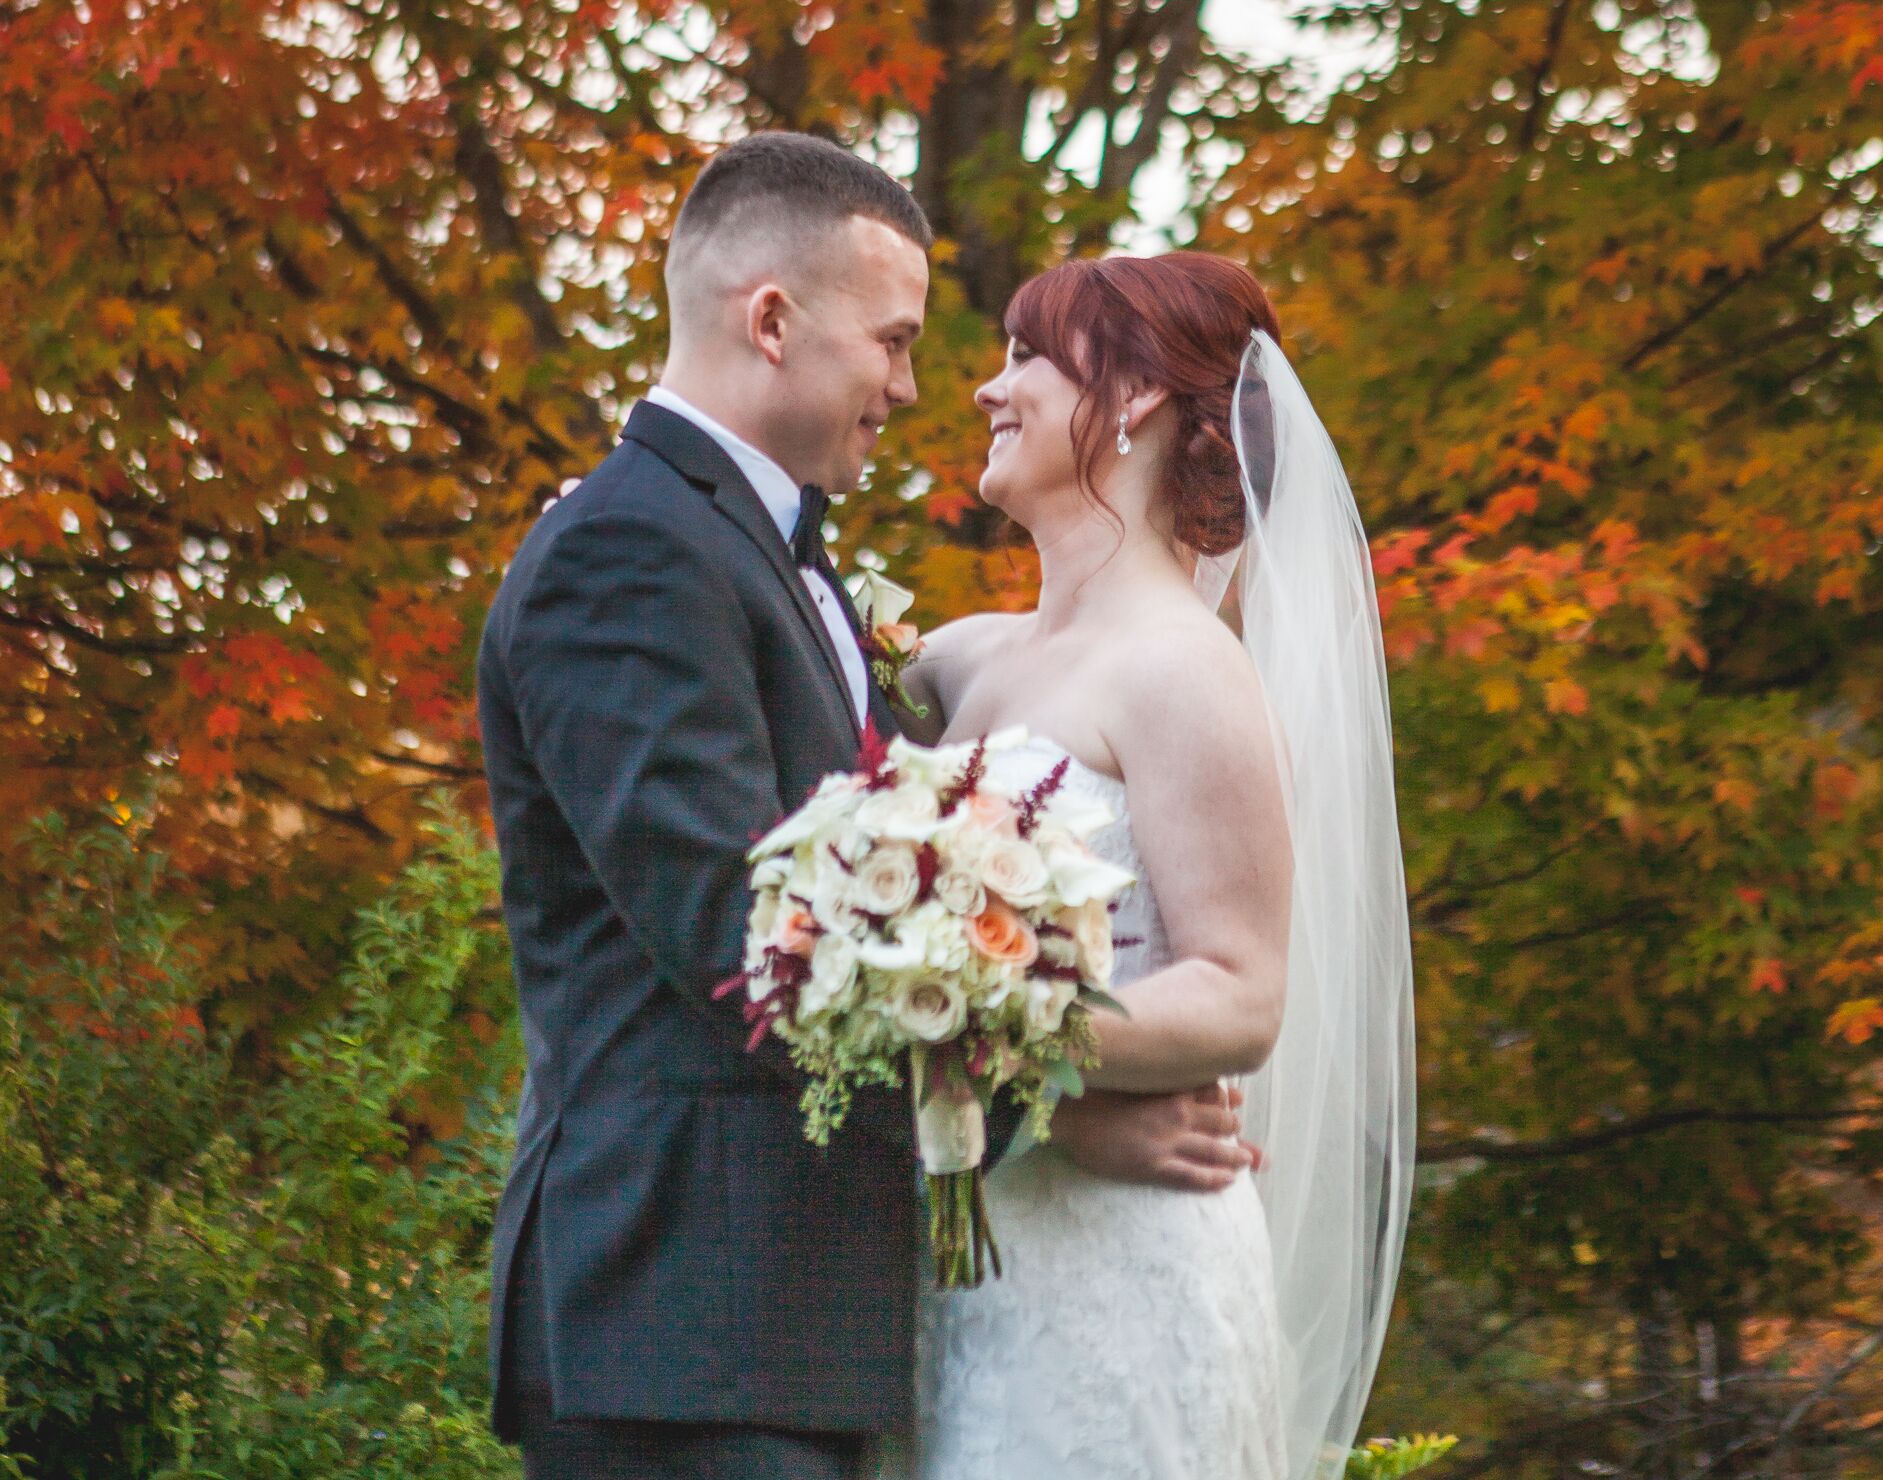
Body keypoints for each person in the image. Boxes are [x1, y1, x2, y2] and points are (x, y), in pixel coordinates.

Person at [478, 135, 1257, 1480]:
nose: (915, 384)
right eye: (891, 341)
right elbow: (742, 937)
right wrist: (1051, 1115)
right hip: (683, 1312)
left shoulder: (767, 560)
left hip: (780, 1319)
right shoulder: (632, 549)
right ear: (771, 320)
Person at [887, 253, 1416, 1480]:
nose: (984, 389)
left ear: (1128, 397)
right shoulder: (954, 664)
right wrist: (1027, 1102)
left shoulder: (1184, 670)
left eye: (1025, 355)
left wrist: (984, 1042)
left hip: (1120, 1277)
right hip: (968, 1256)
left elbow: (1238, 990)